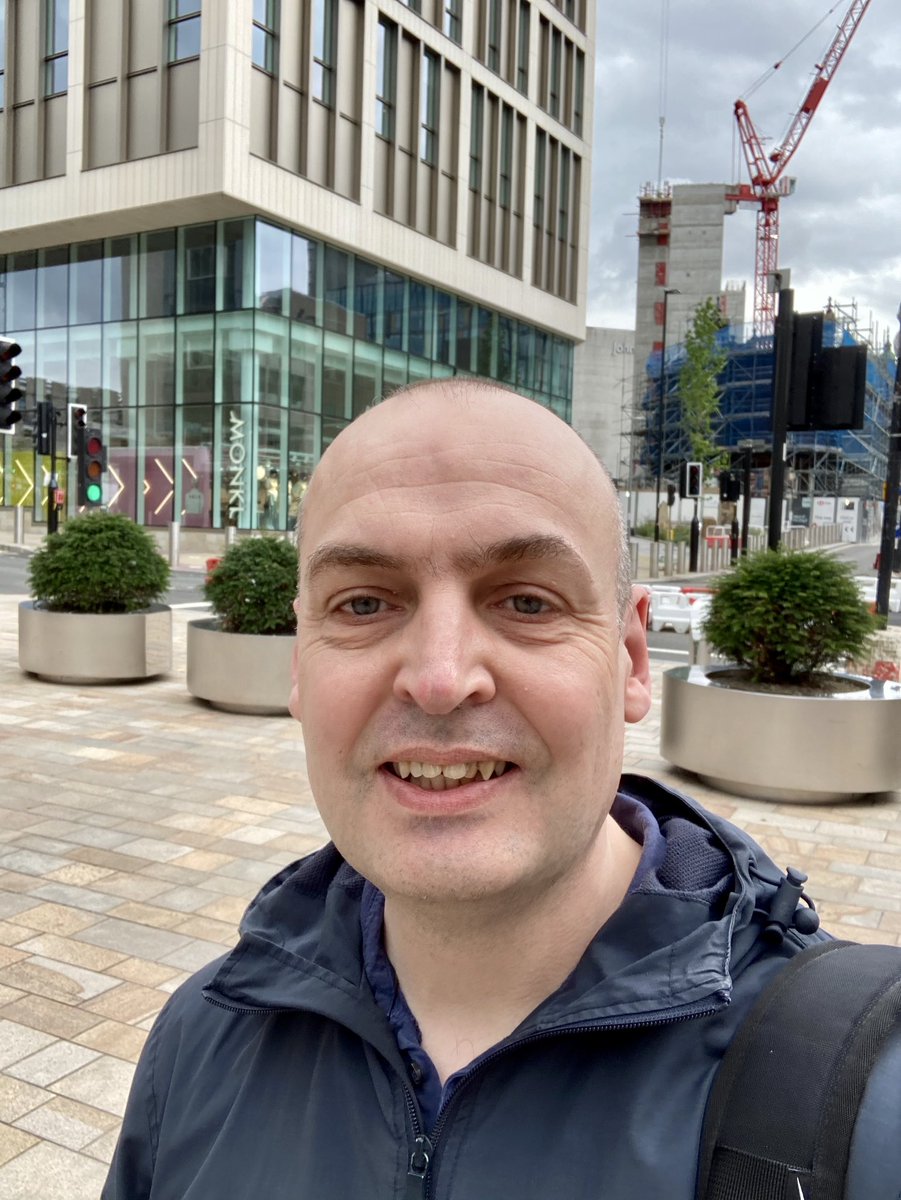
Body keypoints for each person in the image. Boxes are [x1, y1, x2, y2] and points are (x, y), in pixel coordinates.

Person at [101, 380, 886, 1199]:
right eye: (363, 603)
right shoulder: (200, 1039)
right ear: (300, 665)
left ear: (630, 659)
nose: (440, 679)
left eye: (525, 601)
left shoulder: (863, 1103)